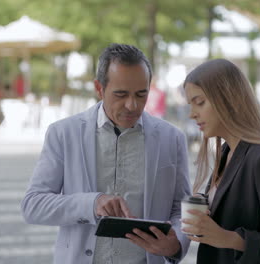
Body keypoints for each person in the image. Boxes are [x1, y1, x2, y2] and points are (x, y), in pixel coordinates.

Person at [21, 43, 191, 264]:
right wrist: (91, 204)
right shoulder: (63, 133)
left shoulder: (172, 138)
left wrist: (177, 242)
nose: (132, 105)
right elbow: (33, 205)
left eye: (141, 94)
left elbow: (182, 207)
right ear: (99, 89)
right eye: (121, 94)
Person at [181, 59, 260, 263]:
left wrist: (228, 238)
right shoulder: (226, 151)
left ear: (228, 99)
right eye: (190, 104)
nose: (192, 114)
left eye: (200, 102)